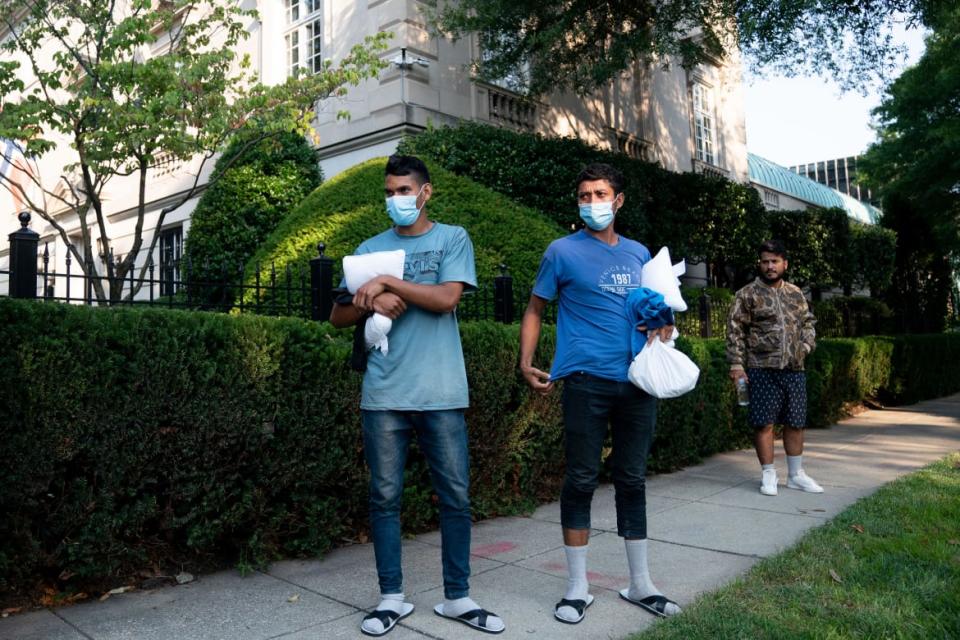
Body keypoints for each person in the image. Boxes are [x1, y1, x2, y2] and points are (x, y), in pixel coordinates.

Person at [330, 155, 505, 637]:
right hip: (384, 392)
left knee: (455, 496)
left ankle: (458, 597)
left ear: (426, 192)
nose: (395, 200)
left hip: (442, 392)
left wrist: (388, 282)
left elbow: (448, 298)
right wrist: (369, 300)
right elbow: (337, 315)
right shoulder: (369, 248)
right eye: (389, 192)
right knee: (384, 497)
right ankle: (391, 599)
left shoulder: (452, 238)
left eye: (404, 190)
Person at [519, 163, 682, 624]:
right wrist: (525, 361)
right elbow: (534, 309)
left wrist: (664, 324)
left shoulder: (639, 254)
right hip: (585, 380)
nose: (592, 203)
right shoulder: (561, 252)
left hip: (636, 381)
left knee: (632, 479)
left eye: (600, 194)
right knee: (581, 479)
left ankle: (641, 584)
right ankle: (576, 588)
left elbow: (656, 311)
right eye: (584, 195)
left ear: (619, 201)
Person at [726, 239, 823, 497]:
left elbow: (808, 322)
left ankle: (795, 475)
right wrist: (737, 364)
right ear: (760, 264)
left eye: (775, 261)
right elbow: (735, 331)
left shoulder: (795, 293)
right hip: (761, 367)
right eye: (765, 261)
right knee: (763, 423)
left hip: (794, 368)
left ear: (785, 264)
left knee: (796, 422)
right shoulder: (747, 294)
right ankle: (768, 473)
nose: (770, 266)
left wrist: (805, 347)